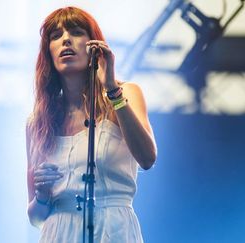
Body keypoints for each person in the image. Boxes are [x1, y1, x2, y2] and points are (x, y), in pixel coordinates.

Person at [26, 6, 157, 243]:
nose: (66, 39)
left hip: (113, 229)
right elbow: (35, 219)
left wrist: (112, 91)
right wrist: (43, 196)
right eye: (56, 36)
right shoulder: (38, 121)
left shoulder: (125, 93)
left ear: (94, 46)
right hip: (59, 233)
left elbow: (147, 158)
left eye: (76, 32)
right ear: (49, 52)